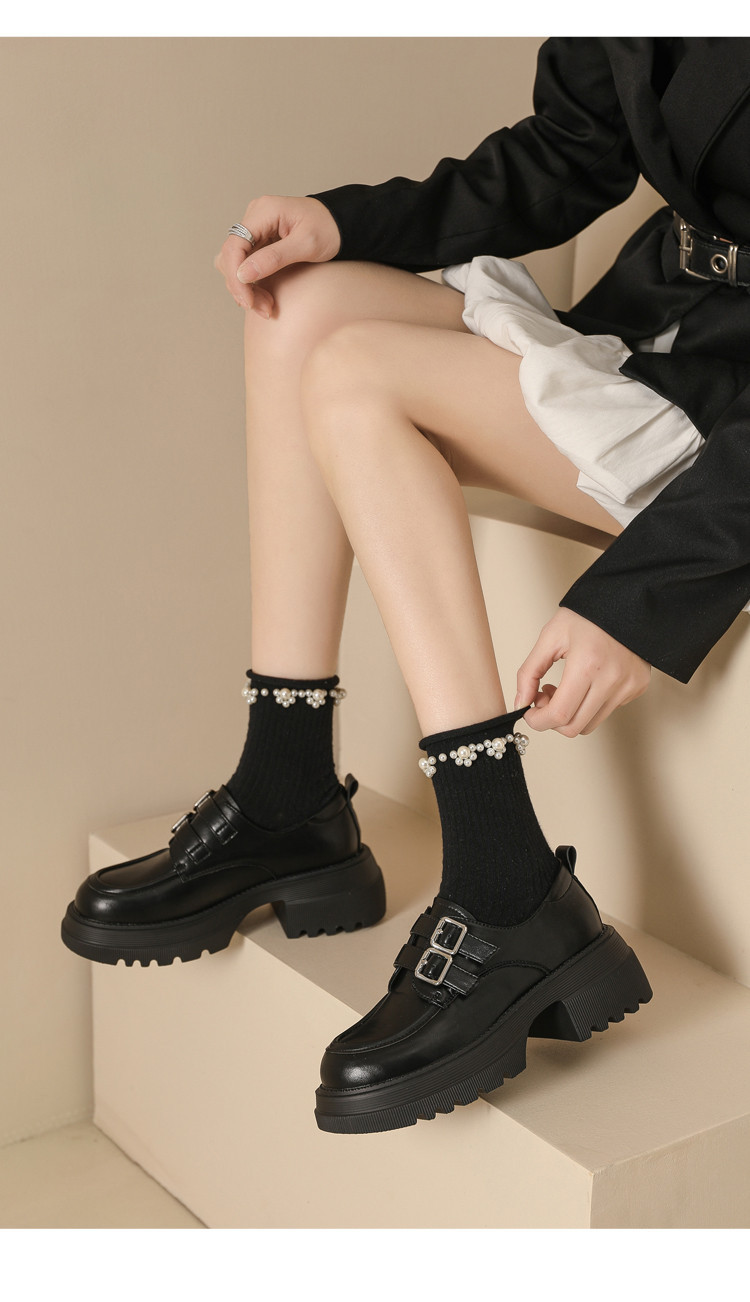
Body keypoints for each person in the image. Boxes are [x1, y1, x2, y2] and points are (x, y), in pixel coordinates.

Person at [61, 37, 750, 1135]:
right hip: (667, 326)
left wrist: (642, 597)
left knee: (354, 374)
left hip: (735, 433)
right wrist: (341, 224)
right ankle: (287, 786)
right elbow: (573, 150)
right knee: (303, 302)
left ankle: (506, 881)